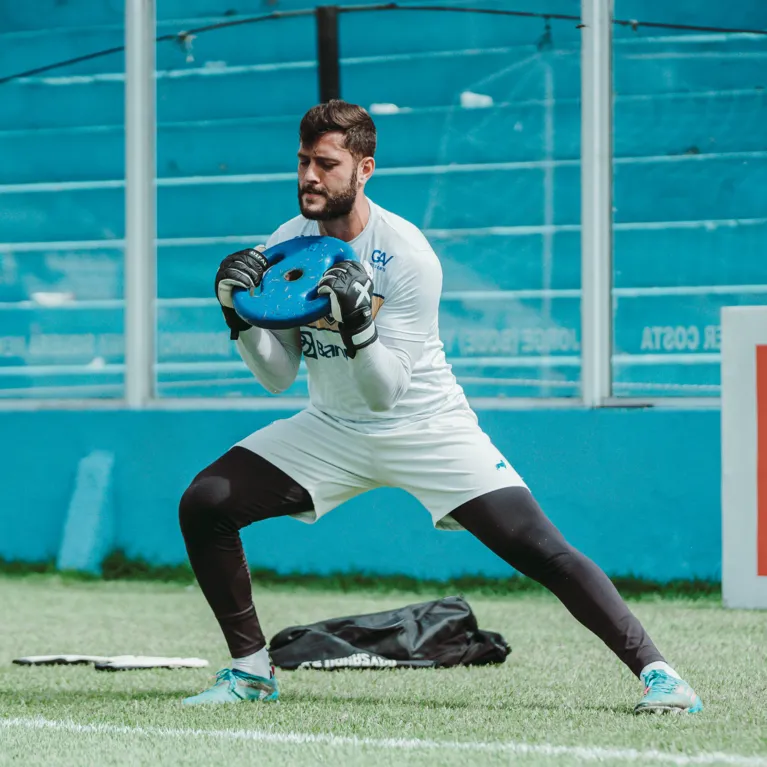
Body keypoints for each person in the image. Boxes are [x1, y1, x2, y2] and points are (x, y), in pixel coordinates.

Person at [179, 100, 702, 714]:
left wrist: (357, 325)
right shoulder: (286, 244)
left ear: (364, 168)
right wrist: (235, 313)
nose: (309, 178)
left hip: (425, 425)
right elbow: (279, 375)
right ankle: (251, 672)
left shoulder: (407, 256)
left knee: (540, 547)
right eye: (302, 162)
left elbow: (384, 391)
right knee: (206, 502)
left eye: (326, 164)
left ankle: (661, 675)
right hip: (331, 427)